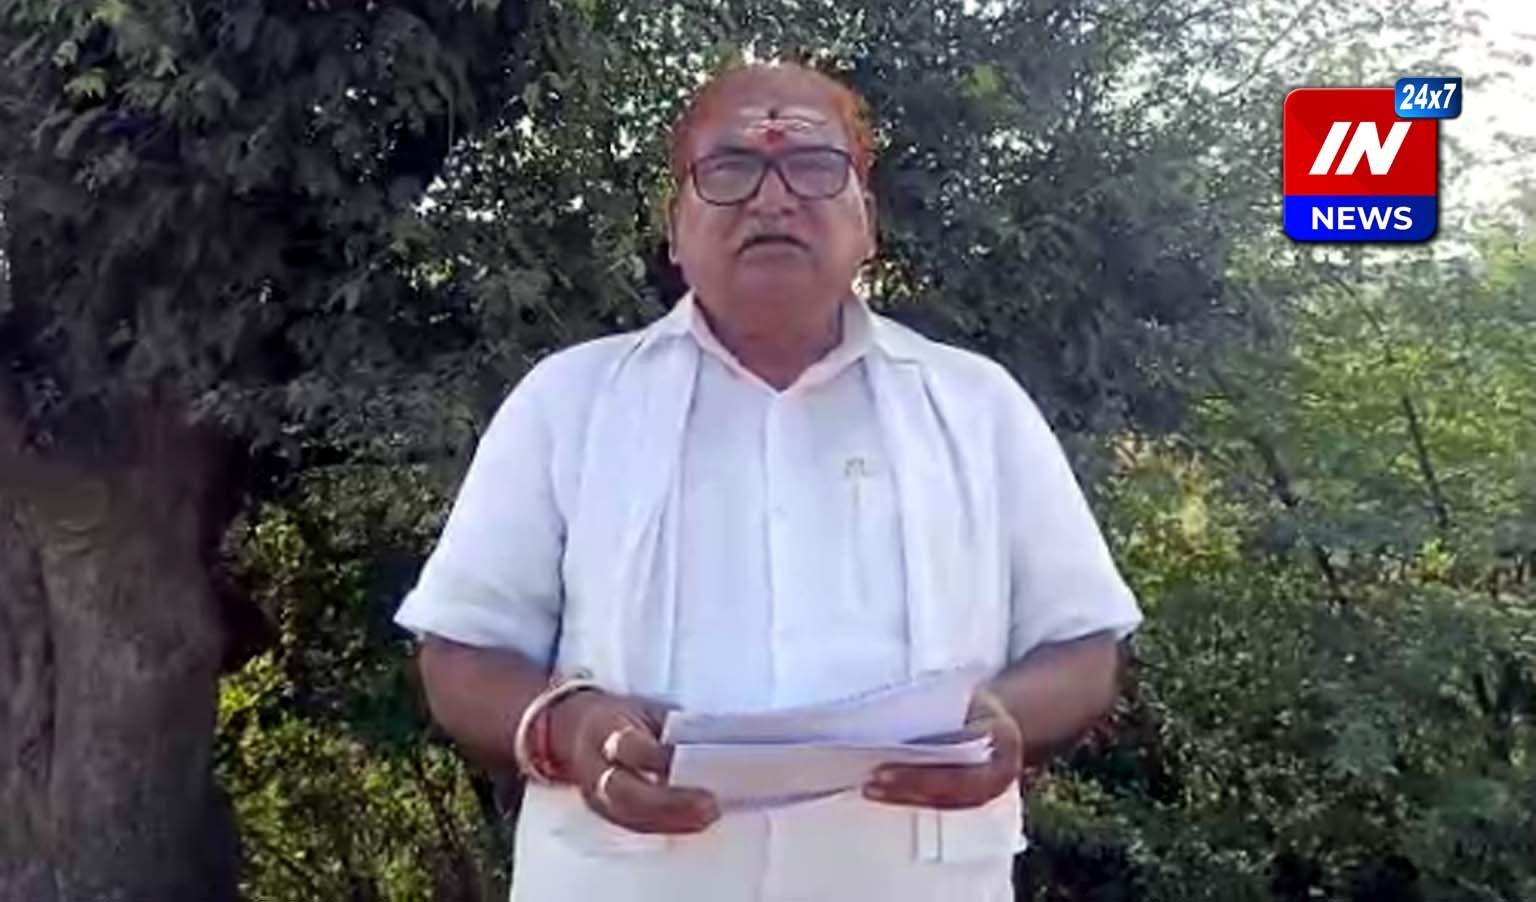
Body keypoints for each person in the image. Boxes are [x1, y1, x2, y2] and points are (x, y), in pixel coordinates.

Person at [395, 61, 1143, 902]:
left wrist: (1009, 722)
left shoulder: (977, 405)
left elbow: (1083, 648)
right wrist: (569, 729)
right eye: (730, 169)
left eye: (815, 167)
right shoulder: (569, 401)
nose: (773, 200)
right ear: (675, 229)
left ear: (867, 224)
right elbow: (460, 653)